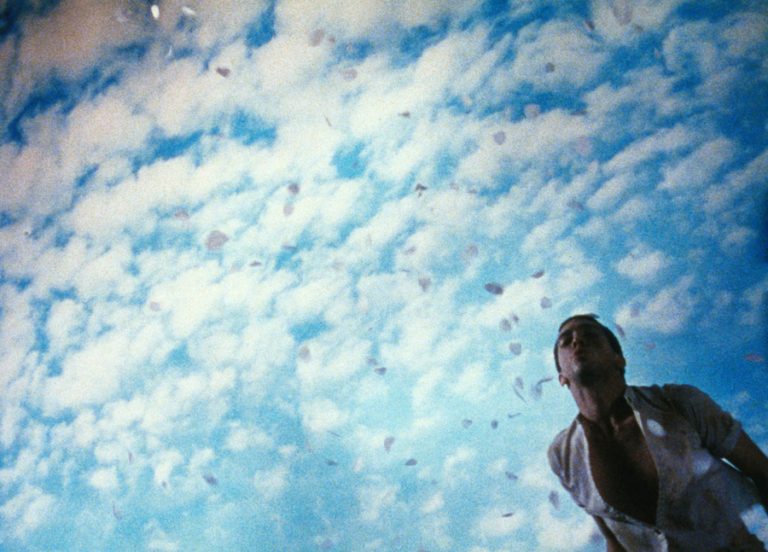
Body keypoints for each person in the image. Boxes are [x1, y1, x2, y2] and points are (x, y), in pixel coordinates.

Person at [548, 313, 768, 551]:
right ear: (561, 377)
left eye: (590, 335)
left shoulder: (679, 403)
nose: (577, 341)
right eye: (565, 341)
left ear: (619, 359)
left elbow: (762, 472)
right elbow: (615, 539)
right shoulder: (562, 456)